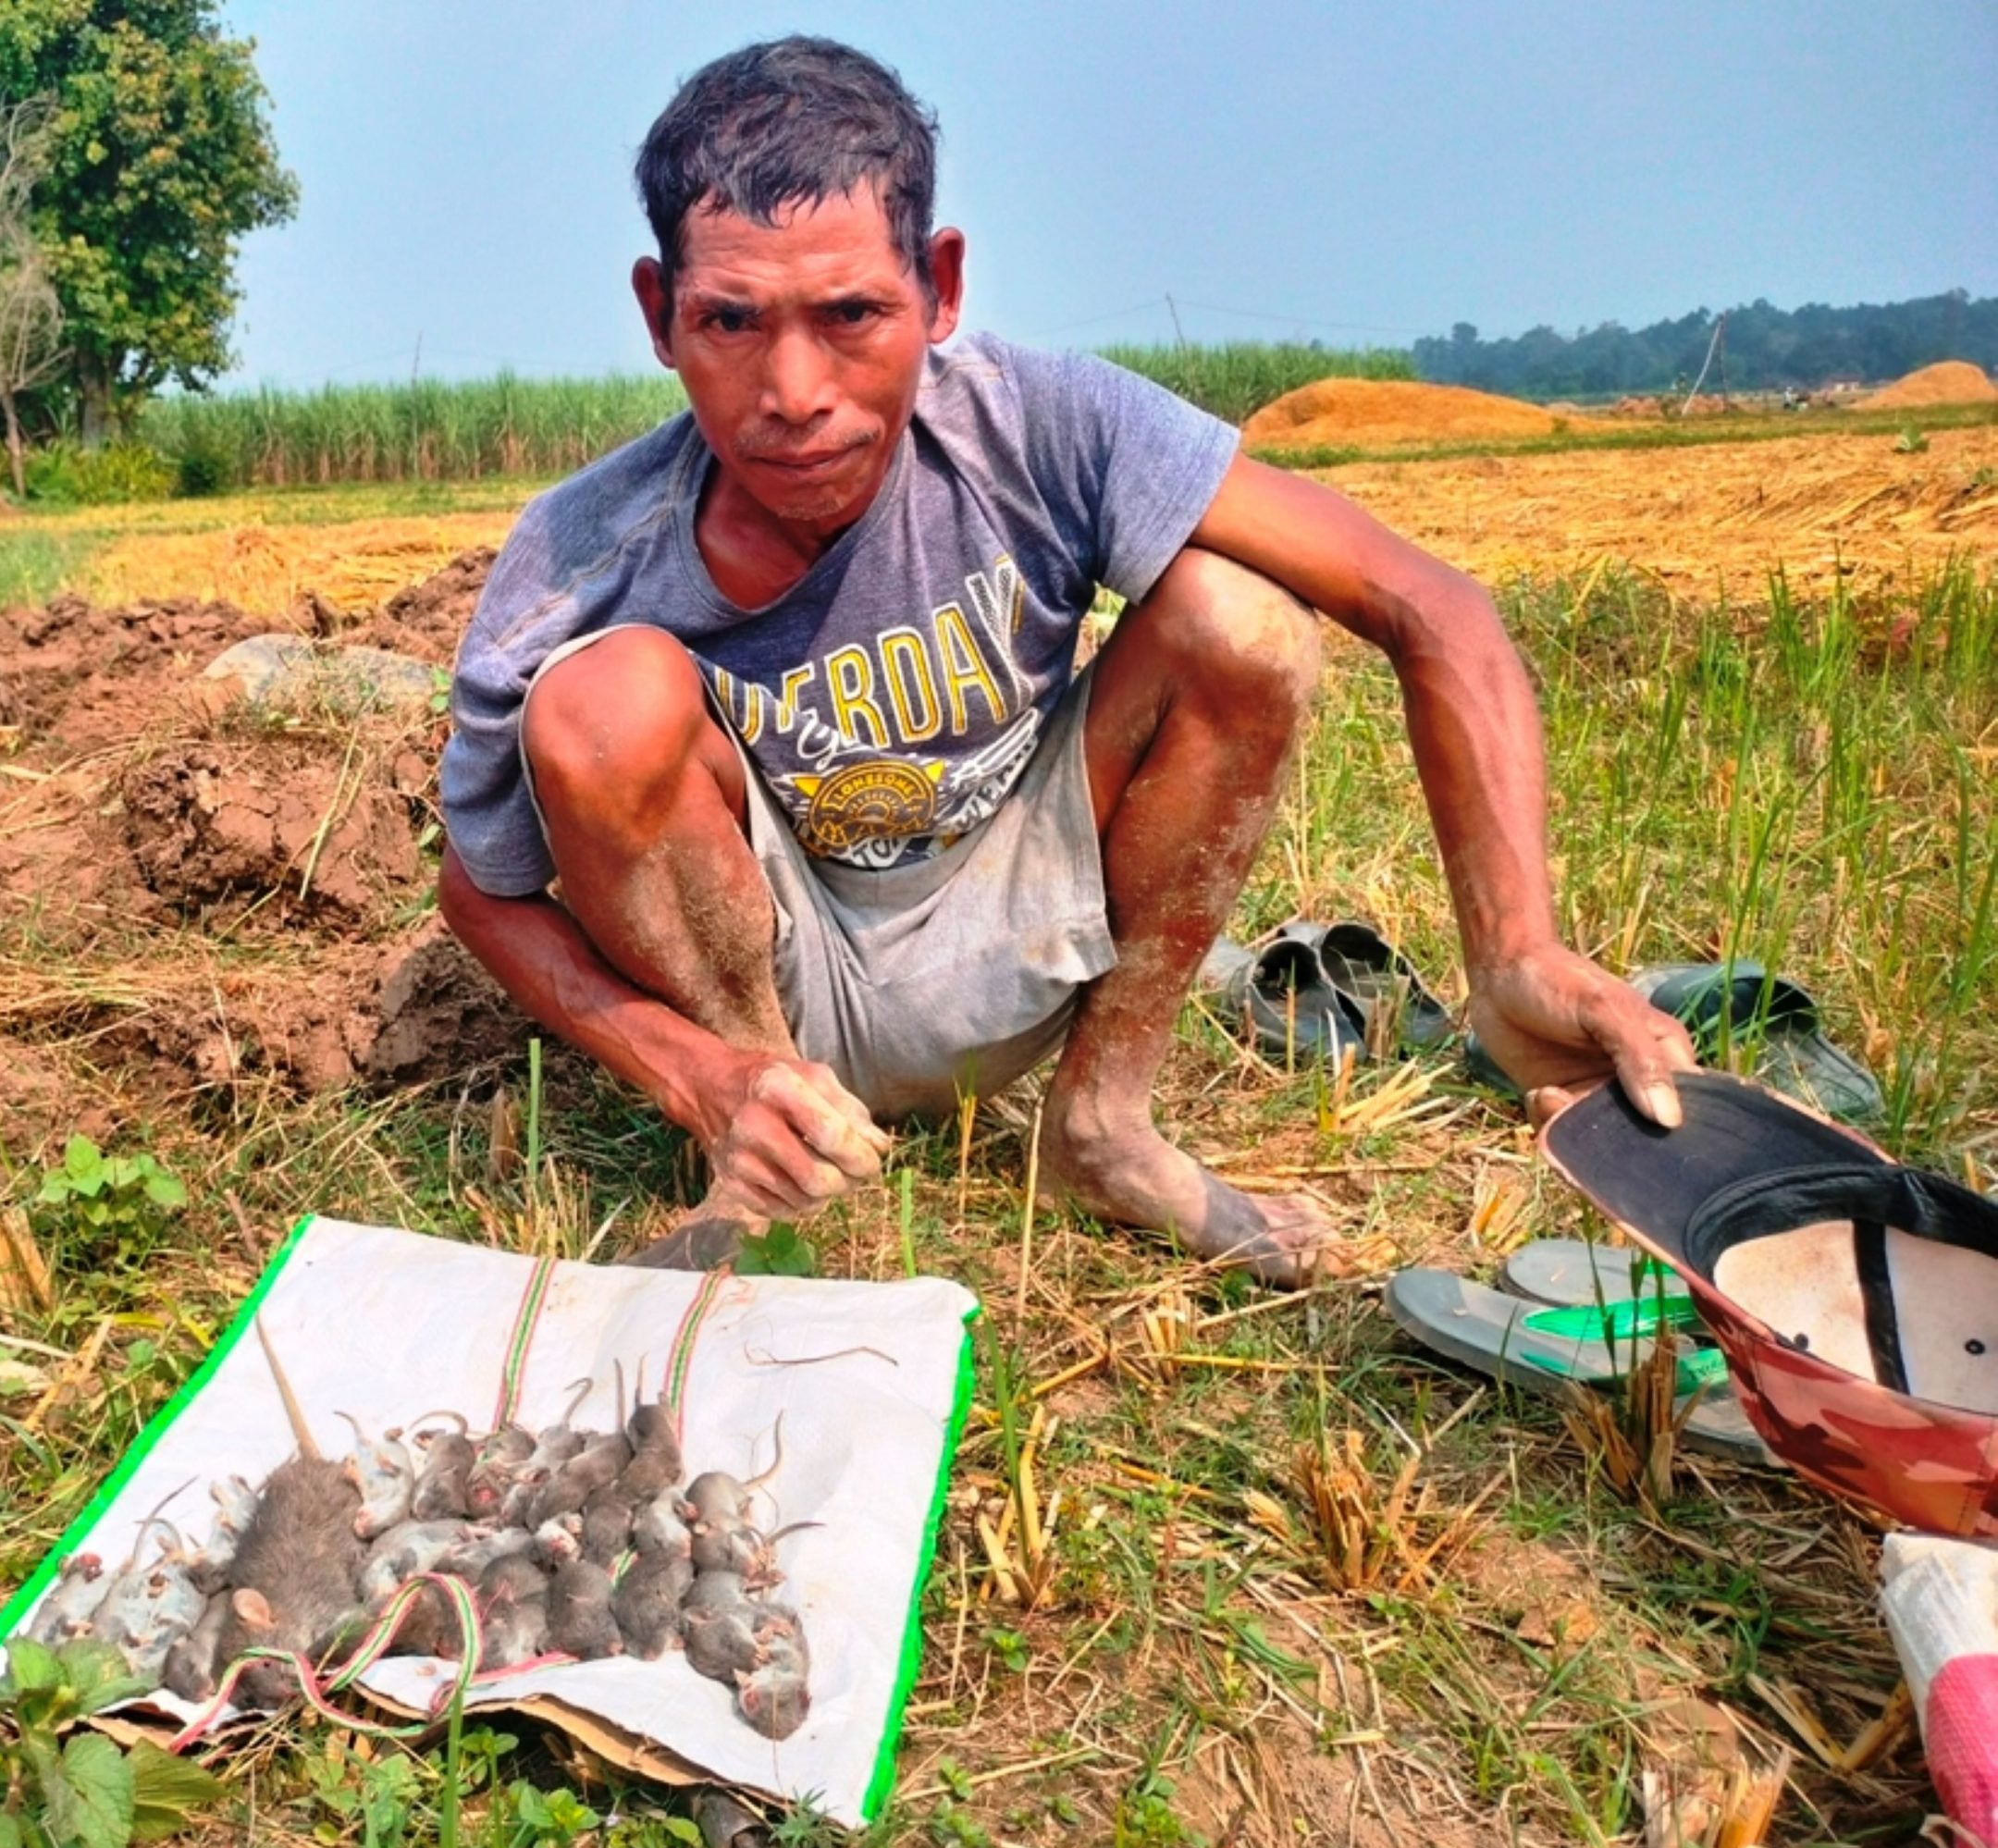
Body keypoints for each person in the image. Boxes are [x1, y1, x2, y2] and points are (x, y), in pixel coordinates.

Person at [436, 36, 1695, 1287]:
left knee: (1238, 616)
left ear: (939, 286)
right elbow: (478, 891)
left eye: (854, 315)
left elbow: (1429, 604)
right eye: (730, 323)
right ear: (661, 315)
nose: (794, 390)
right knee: (600, 704)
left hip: (1016, 927)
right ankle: (775, 1154)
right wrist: (702, 1073)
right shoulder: (581, 546)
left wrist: (1517, 948)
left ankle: (1101, 1128)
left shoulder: (1042, 428)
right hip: (774, 975)